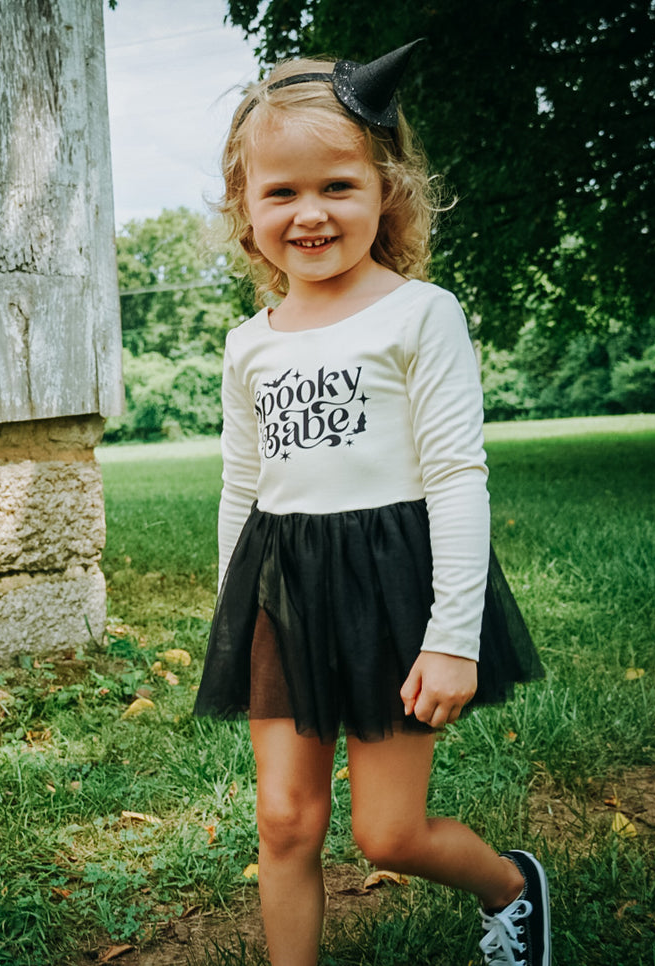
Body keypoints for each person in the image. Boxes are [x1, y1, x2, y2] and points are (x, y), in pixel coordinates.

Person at [192, 42, 550, 966]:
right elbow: (244, 482)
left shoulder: (419, 314)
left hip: (394, 585)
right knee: (282, 821)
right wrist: (237, 611)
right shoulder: (247, 344)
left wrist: (452, 635)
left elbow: (456, 475)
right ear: (244, 205)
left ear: (384, 188)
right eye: (280, 193)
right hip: (285, 589)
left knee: (385, 835)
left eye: (337, 186)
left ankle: (510, 887)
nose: (309, 214)